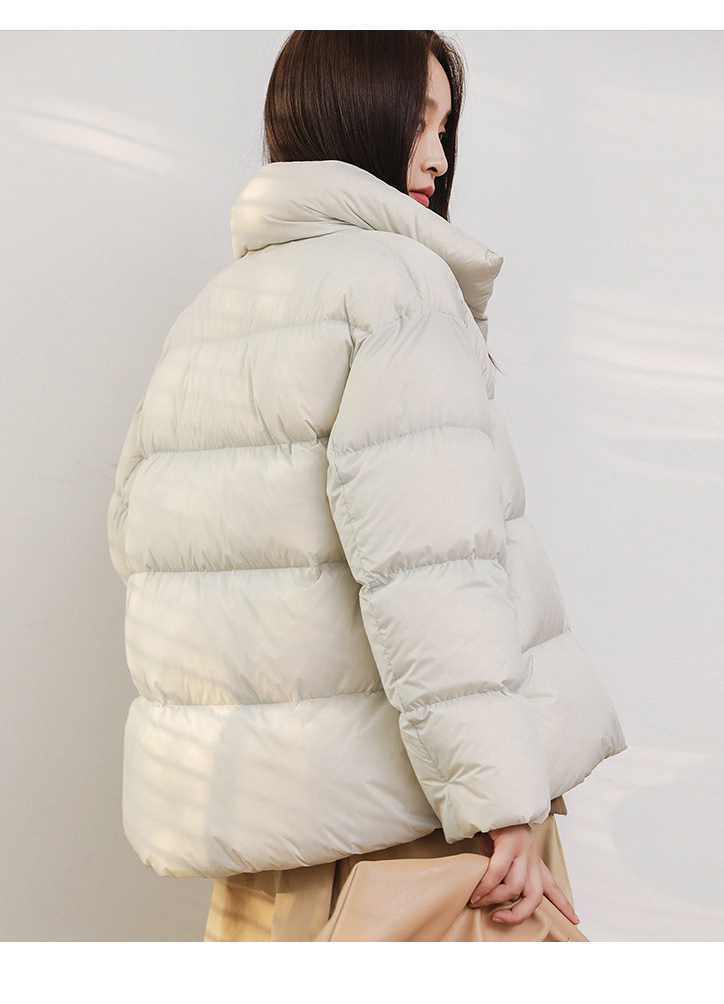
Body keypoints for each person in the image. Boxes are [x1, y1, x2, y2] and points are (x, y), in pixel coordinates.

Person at [107, 30, 626, 941]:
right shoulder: (395, 287)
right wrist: (500, 798)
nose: (437, 157)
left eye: (444, 128)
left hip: (262, 852)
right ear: (355, 116)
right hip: (410, 841)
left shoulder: (216, 309)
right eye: (419, 122)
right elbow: (430, 568)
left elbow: (141, 547)